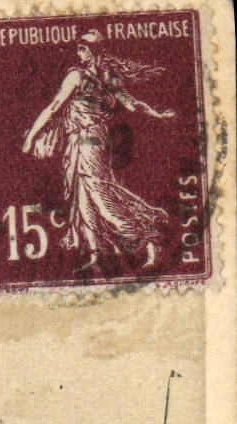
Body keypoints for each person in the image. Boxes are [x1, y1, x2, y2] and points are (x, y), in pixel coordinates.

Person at [20, 29, 177, 272]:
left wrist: (31, 136)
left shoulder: (80, 77)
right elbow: (132, 105)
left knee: (99, 192)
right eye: (79, 49)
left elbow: (54, 107)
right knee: (83, 195)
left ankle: (146, 236)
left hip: (88, 139)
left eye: (84, 49)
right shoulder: (106, 78)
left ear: (95, 51)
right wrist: (157, 114)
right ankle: (96, 254)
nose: (79, 53)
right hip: (85, 139)